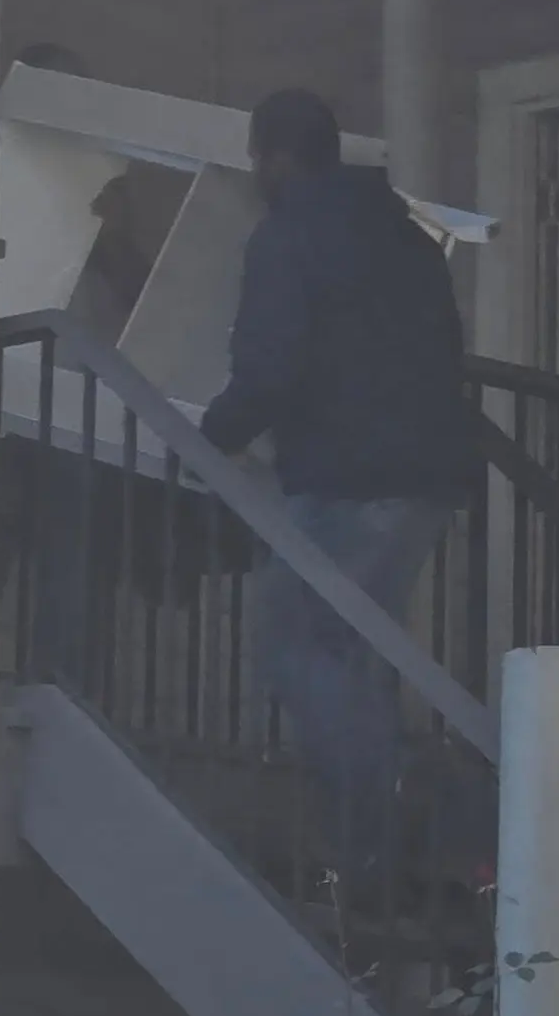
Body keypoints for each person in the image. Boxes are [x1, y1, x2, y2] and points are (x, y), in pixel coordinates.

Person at [200, 88, 479, 889]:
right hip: (426, 475)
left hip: (345, 478)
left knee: (298, 646)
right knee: (352, 651)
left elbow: (270, 367)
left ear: (273, 157)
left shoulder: (287, 235)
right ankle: (385, 828)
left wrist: (209, 434)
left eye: (258, 159)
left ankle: (390, 801)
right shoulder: (407, 236)